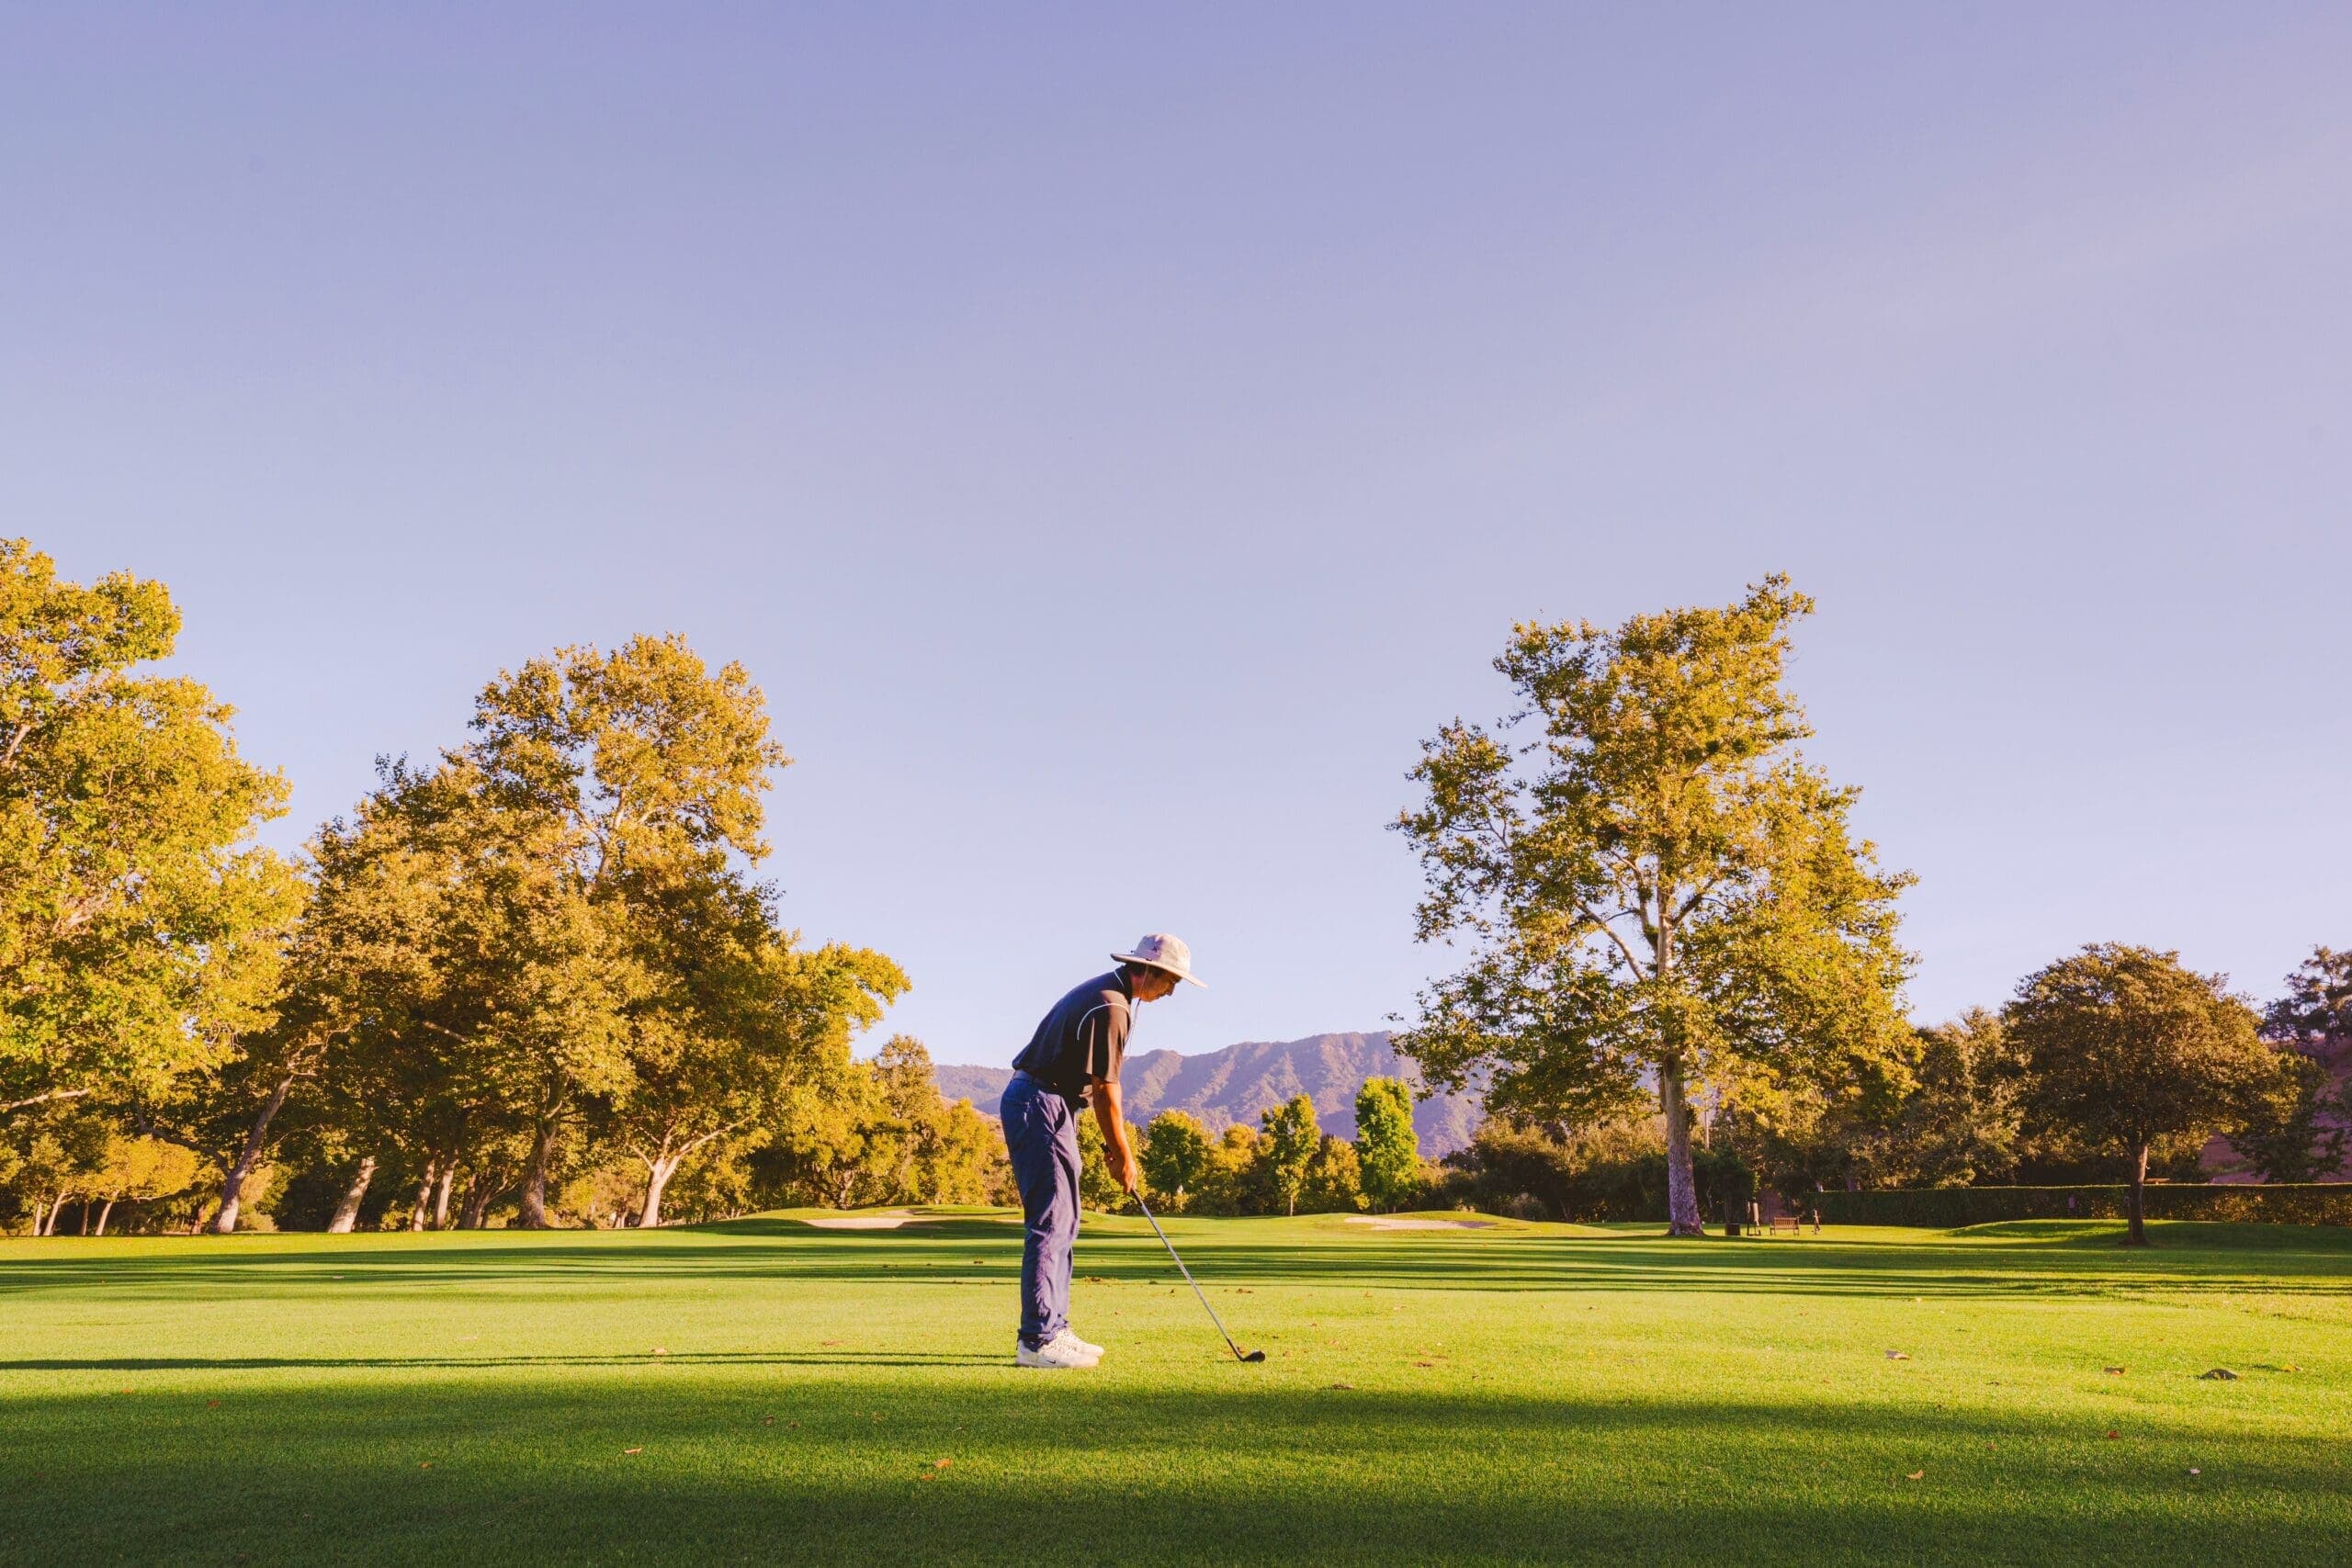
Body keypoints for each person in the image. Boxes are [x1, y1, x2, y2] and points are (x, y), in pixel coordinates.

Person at [1000, 932, 1204, 1369]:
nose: (1170, 992)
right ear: (1150, 971)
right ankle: (1037, 1340)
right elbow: (1108, 1092)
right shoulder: (1112, 1006)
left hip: (1052, 1103)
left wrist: (1114, 1149)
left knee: (1067, 1218)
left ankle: (1055, 1326)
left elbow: (1094, 1089)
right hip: (1040, 1102)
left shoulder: (1112, 996)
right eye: (1171, 982)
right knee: (1051, 1221)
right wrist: (1125, 1154)